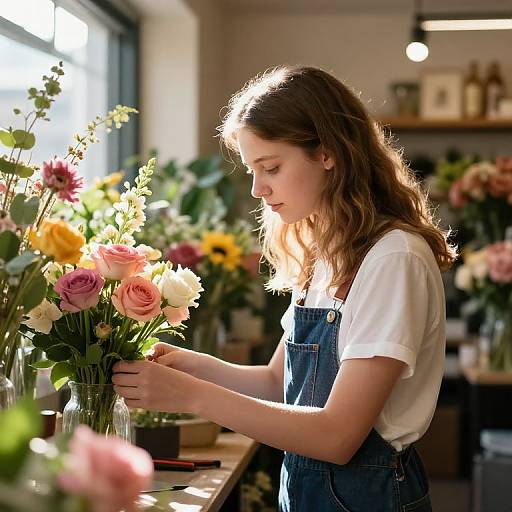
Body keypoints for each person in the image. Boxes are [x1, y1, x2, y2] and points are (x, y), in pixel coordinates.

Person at [113, 66, 457, 511]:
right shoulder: (324, 255)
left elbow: (337, 437)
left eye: (270, 167)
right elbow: (280, 384)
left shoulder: (393, 258)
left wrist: (188, 395)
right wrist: (192, 367)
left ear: (328, 153)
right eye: (253, 170)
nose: (258, 189)